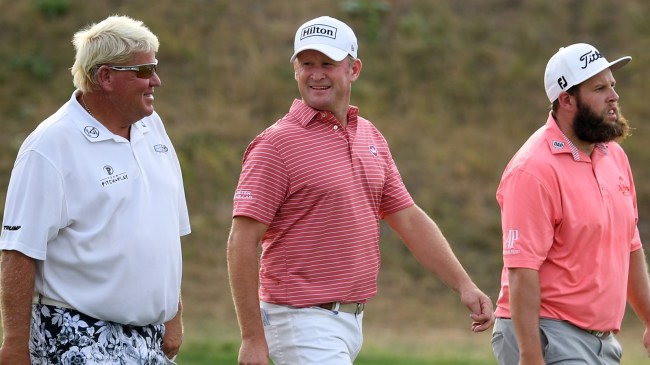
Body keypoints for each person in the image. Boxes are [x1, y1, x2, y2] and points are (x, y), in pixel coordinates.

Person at [227, 15, 495, 365]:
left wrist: (464, 285)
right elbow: (241, 241)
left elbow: (409, 219)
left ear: (354, 69)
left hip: (351, 320)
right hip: (298, 319)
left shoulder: (369, 136)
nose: (316, 74)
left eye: (328, 64)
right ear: (295, 70)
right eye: (306, 64)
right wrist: (251, 338)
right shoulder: (275, 145)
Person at [0, 15, 190, 365]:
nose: (156, 81)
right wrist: (14, 346)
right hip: (76, 334)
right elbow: (19, 251)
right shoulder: (49, 146)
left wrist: (172, 312)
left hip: (150, 336)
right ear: (105, 77)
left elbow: (163, 234)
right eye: (144, 70)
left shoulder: (152, 125)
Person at [491, 42, 650, 365]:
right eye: (599, 88)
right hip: (547, 334)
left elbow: (630, 246)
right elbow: (522, 270)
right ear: (566, 100)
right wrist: (531, 355)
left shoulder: (614, 156)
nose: (614, 97)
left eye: (612, 86)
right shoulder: (533, 170)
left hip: (602, 341)